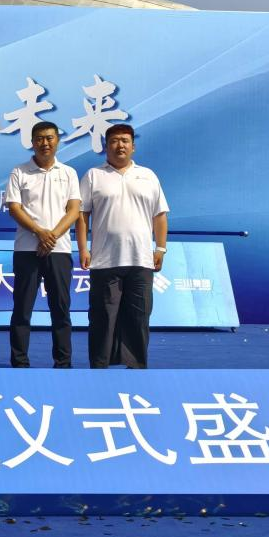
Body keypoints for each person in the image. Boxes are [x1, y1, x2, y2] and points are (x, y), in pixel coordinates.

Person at [77, 123, 169, 369]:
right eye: (114, 141)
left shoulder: (148, 176)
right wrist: (83, 249)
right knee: (102, 316)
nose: (120, 146)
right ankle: (99, 364)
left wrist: (160, 248)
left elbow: (160, 215)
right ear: (106, 146)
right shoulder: (93, 175)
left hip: (141, 259)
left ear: (133, 147)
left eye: (125, 141)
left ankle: (136, 365)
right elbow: (82, 215)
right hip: (104, 260)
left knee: (139, 316)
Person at [4, 121, 81, 368]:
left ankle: (63, 362)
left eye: (49, 138)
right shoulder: (19, 171)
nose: (44, 143)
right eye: (39, 138)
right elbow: (14, 208)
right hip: (27, 250)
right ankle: (19, 361)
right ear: (32, 142)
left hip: (59, 250)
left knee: (60, 309)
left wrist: (52, 236)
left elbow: (73, 210)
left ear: (57, 140)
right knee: (22, 308)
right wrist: (39, 232)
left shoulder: (68, 172)